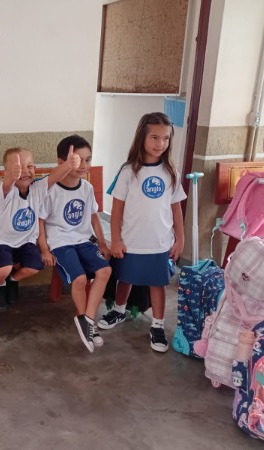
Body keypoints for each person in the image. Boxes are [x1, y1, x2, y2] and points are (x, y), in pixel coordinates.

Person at [97, 112, 185, 353]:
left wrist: (180, 239)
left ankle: (157, 325)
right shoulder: (128, 171)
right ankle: (119, 310)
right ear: (142, 138)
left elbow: (176, 209)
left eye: (166, 138)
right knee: (126, 277)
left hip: (159, 243)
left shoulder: (171, 172)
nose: (160, 143)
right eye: (154, 137)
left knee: (158, 283)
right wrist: (116, 240)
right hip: (131, 241)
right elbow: (116, 210)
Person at [38, 135, 111, 353]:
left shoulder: (86, 188)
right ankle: (86, 321)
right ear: (62, 163)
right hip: (60, 243)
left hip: (83, 240)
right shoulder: (50, 189)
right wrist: (44, 248)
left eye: (88, 160)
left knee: (105, 271)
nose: (84, 166)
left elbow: (94, 216)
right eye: (78, 160)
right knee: (79, 279)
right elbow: (40, 221)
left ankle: (87, 320)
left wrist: (102, 242)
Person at [0, 147, 81, 311]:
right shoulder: (6, 190)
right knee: (3, 270)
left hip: (26, 241)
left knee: (35, 266)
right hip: (1, 241)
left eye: (29, 166)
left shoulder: (38, 188)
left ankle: (13, 280)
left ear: (35, 169)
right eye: (17, 167)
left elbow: (54, 176)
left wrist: (68, 165)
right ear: (6, 172)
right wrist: (11, 176)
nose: (24, 171)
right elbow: (8, 183)